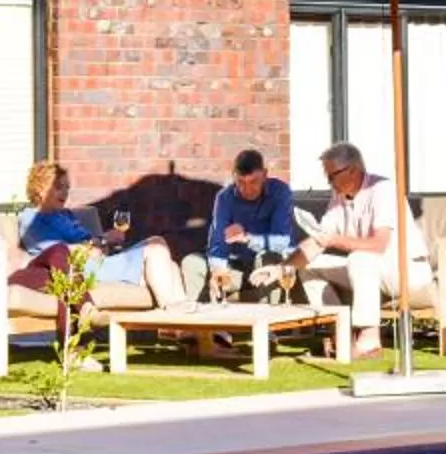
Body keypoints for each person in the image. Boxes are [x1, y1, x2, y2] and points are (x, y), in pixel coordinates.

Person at [300, 141, 429, 362]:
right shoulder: (339, 197)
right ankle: (340, 333)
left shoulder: (383, 190)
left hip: (405, 269)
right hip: (369, 272)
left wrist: (336, 240)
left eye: (332, 176)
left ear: (352, 170)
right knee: (308, 266)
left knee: (361, 258)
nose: (329, 182)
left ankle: (369, 340)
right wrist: (282, 268)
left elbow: (378, 245)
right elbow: (318, 240)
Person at [19, 161, 186, 307]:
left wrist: (104, 242)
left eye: (66, 187)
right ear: (41, 189)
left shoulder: (66, 215)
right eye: (58, 187)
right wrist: (101, 241)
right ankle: (170, 316)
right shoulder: (32, 218)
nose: (65, 192)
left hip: (102, 261)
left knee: (169, 263)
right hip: (81, 270)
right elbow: (57, 253)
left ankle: (185, 326)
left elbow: (95, 245)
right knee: (156, 249)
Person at [184, 147, 300, 299]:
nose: (247, 189)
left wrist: (248, 238)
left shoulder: (280, 192)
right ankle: (200, 318)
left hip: (269, 266)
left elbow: (283, 241)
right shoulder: (225, 198)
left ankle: (267, 319)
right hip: (237, 267)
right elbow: (218, 243)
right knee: (192, 263)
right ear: (234, 177)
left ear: (265, 175)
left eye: (253, 182)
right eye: (241, 182)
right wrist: (218, 269)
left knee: (268, 256)